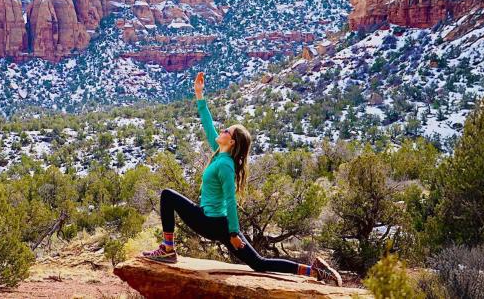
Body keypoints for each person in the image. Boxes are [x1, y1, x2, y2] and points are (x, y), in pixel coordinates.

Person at [141, 72, 341, 286]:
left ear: (232, 142)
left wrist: (234, 232)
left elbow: (230, 200)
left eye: (227, 130)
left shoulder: (225, 166)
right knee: (259, 263)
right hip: (219, 223)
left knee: (167, 196)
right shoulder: (221, 154)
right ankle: (314, 271)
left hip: (212, 222)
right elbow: (208, 126)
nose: (222, 130)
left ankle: (168, 248)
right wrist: (199, 95)